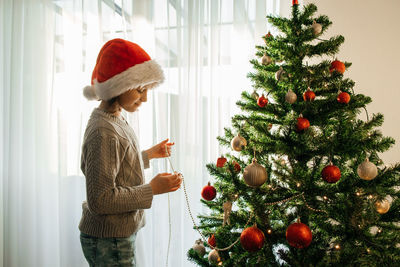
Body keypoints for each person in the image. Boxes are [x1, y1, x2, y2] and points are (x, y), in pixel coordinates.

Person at [79, 38, 182, 266]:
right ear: (118, 86)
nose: (145, 98)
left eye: (147, 89)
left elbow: (117, 164)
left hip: (116, 236)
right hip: (109, 240)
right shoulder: (103, 131)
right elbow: (100, 199)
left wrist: (148, 155)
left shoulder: (114, 118)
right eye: (140, 89)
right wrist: (151, 189)